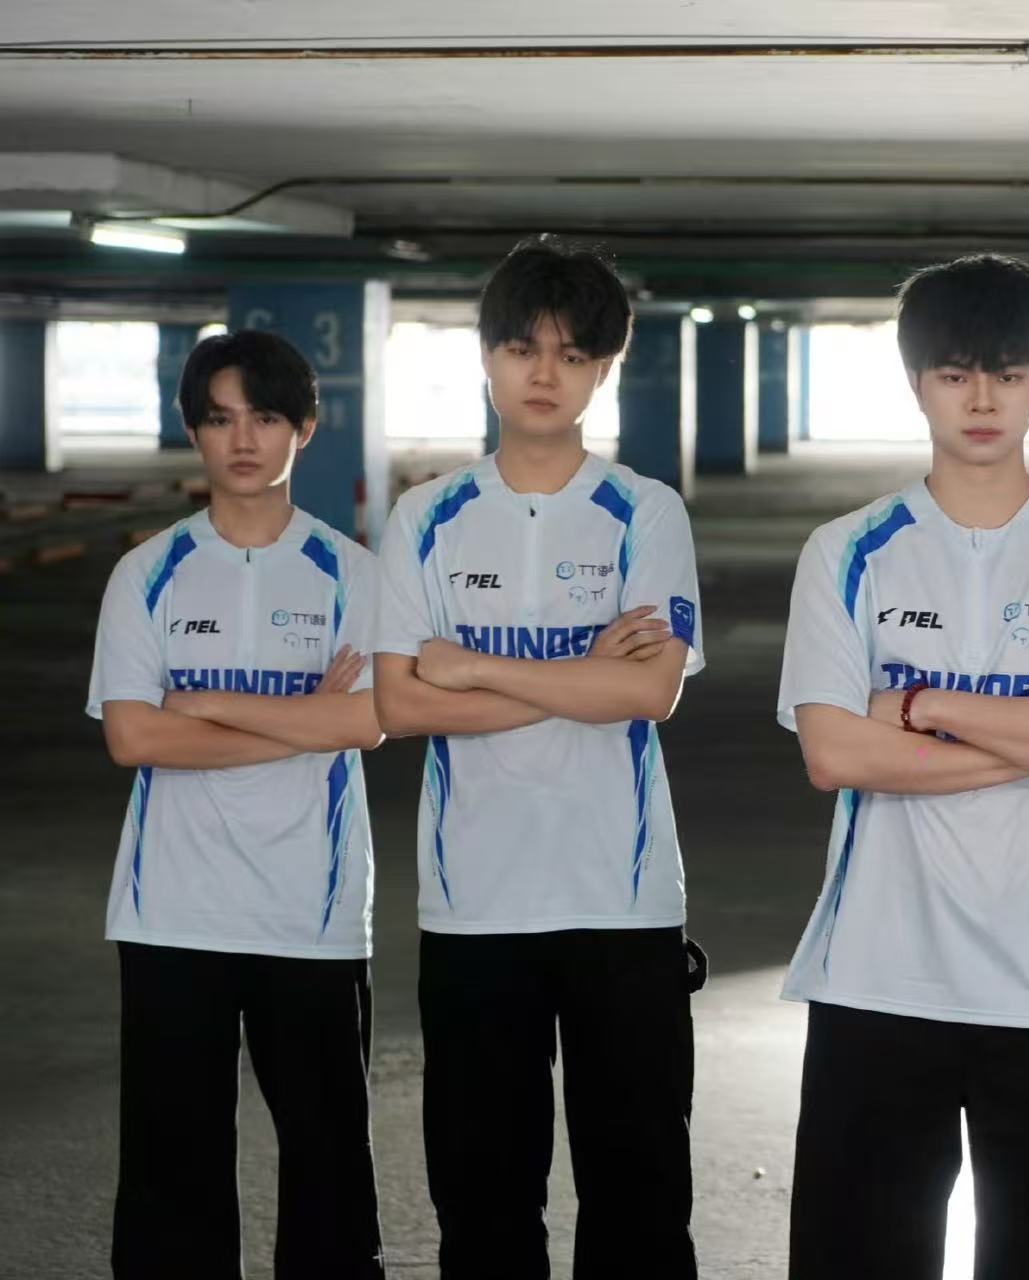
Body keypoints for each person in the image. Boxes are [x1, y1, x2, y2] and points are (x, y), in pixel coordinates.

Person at [775, 253, 1029, 1279]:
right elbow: (832, 752)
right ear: (916, 383)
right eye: (954, 374)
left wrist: (922, 709)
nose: (982, 399)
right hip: (874, 973)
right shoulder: (846, 551)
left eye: (1008, 373)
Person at [372, 235, 705, 1279]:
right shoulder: (425, 517)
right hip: (473, 907)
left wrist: (470, 667)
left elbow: (647, 692)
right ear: (486, 355)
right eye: (522, 348)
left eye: (571, 353)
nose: (544, 373)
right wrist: (577, 674)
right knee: (482, 1207)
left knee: (640, 1206)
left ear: (604, 367)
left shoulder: (645, 511)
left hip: (624, 902)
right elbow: (398, 701)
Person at [87, 329, 387, 1279]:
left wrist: (206, 704)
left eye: (264, 417)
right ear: (194, 432)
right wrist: (304, 721)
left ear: (305, 427)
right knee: (170, 1174)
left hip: (313, 914)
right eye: (220, 419)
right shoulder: (147, 573)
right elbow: (135, 739)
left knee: (329, 1169)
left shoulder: (353, 573)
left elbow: (367, 722)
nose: (243, 439)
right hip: (172, 913)